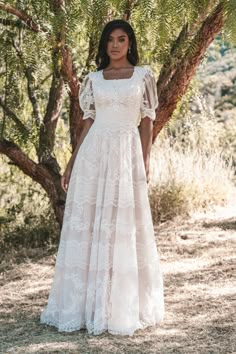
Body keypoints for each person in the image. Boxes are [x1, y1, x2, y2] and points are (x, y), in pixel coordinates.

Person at [40, 19, 164, 336]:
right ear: (104, 45)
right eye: (110, 40)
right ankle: (84, 305)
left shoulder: (143, 75)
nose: (115, 45)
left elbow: (148, 120)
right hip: (94, 155)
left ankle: (119, 305)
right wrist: (71, 162)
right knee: (93, 223)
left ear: (130, 43)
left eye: (122, 39)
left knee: (122, 224)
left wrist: (146, 161)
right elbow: (87, 121)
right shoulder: (94, 79)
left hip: (126, 151)